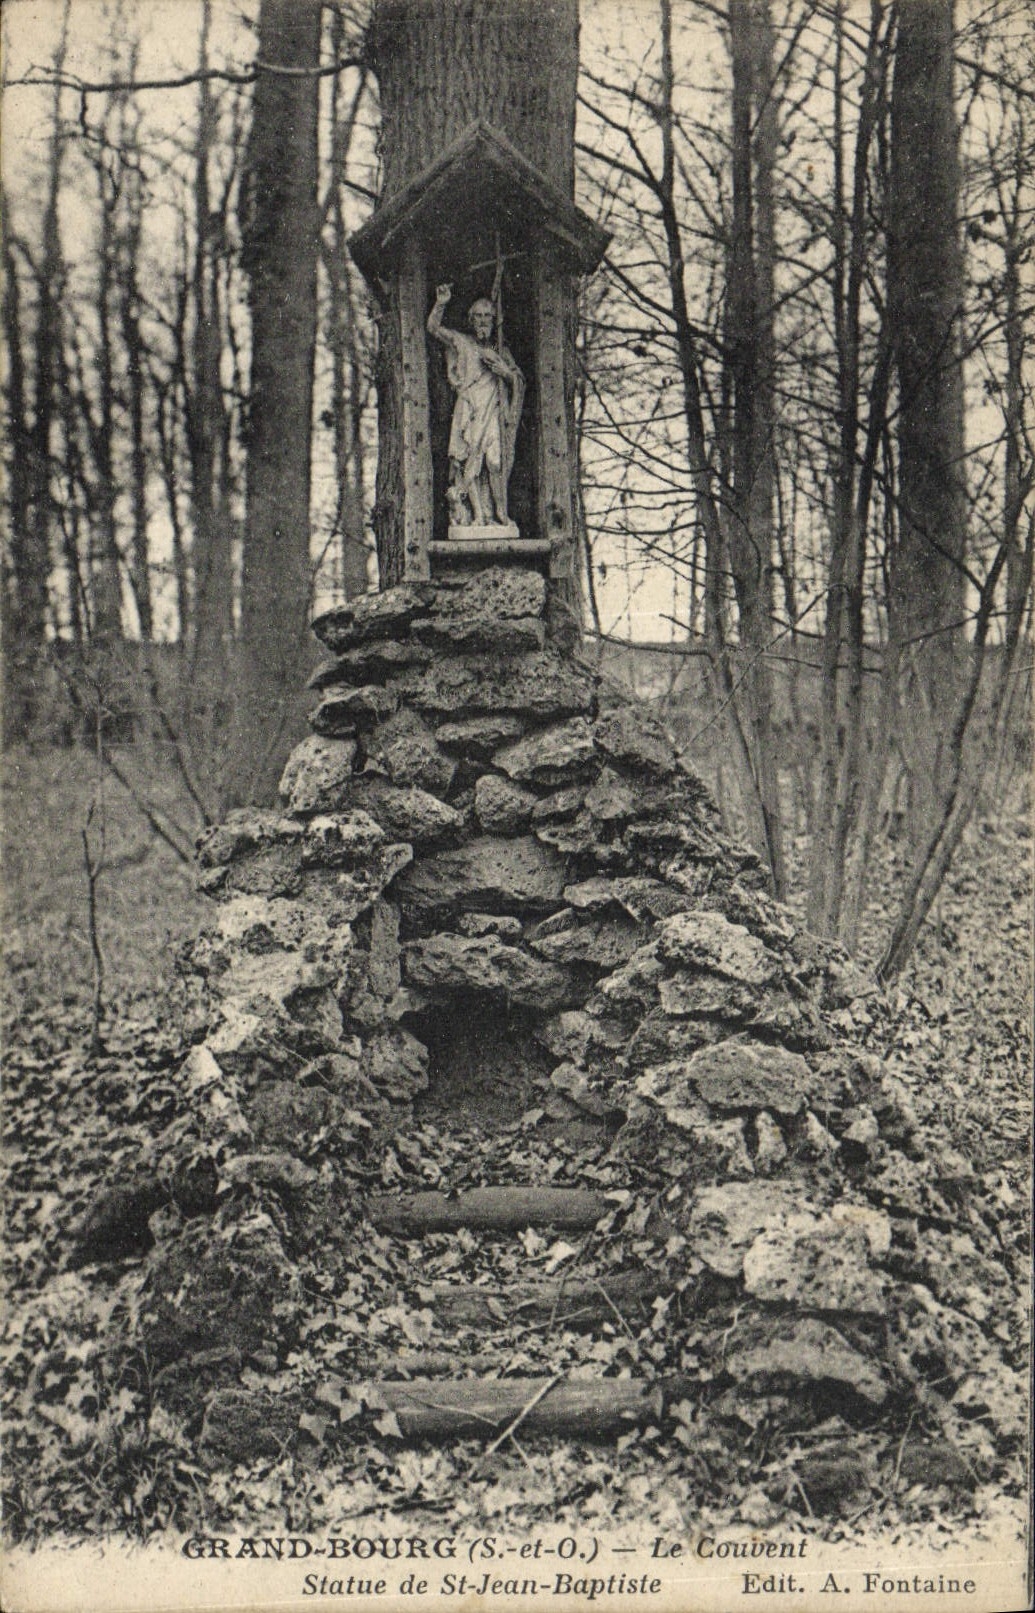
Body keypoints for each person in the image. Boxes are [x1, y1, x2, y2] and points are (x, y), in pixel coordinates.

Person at [427, 284, 524, 529]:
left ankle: (500, 513)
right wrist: (441, 303)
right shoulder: (462, 342)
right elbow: (433, 328)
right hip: (469, 409)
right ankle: (479, 516)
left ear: (494, 320)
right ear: (471, 320)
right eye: (478, 316)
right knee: (470, 463)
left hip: (492, 410)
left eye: (487, 316)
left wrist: (505, 372)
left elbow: (519, 380)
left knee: (494, 462)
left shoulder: (501, 350)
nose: (483, 321)